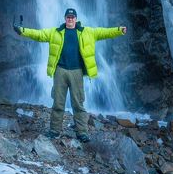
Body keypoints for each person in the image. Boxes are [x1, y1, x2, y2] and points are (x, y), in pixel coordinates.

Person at [14, 7, 127, 142]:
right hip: (60, 71)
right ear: (65, 18)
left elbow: (104, 32)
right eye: (68, 17)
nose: (70, 19)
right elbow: (39, 35)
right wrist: (22, 31)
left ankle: (82, 133)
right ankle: (54, 131)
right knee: (58, 103)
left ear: (76, 19)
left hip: (77, 72)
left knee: (78, 104)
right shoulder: (55, 32)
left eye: (72, 17)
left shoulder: (88, 32)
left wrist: (119, 30)